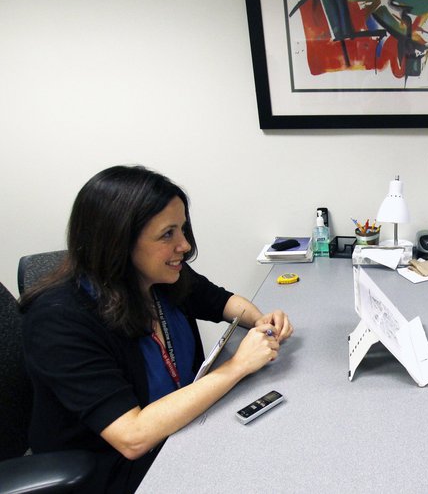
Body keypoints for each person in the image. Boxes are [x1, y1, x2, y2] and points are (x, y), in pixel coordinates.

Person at [20, 165, 294, 493]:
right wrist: (238, 366)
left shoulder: (160, 276)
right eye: (168, 234)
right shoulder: (59, 320)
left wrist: (260, 320)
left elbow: (222, 302)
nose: (185, 246)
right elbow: (132, 437)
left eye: (182, 229)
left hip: (180, 435)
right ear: (119, 241)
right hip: (115, 471)